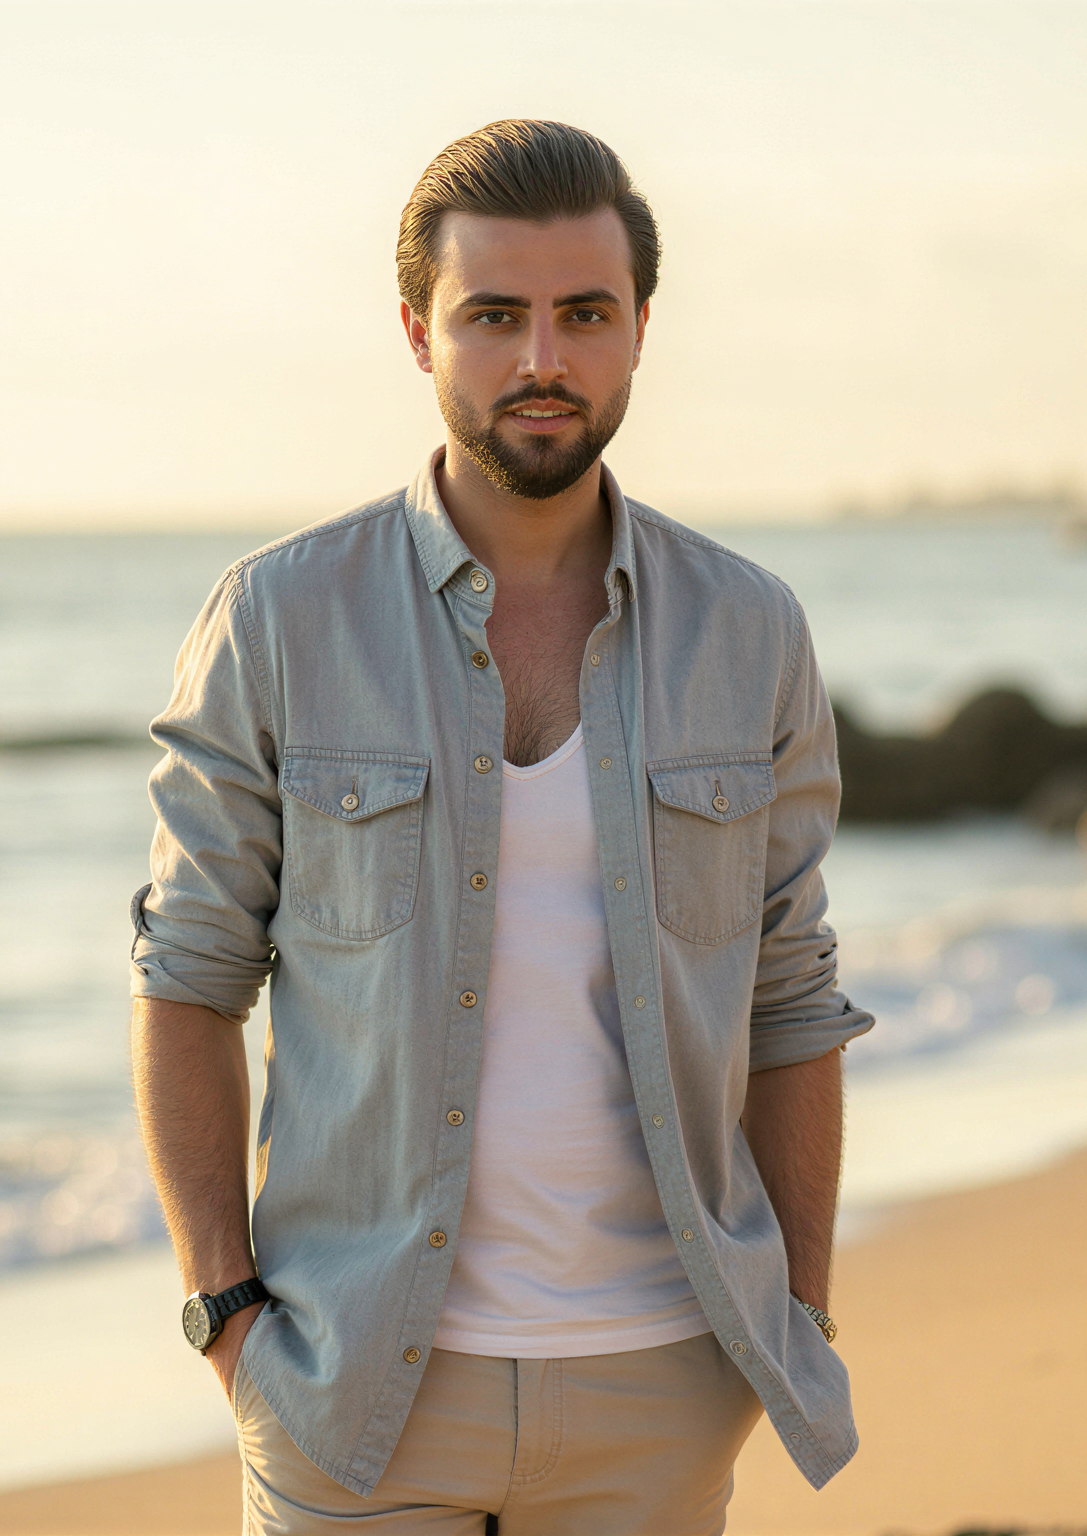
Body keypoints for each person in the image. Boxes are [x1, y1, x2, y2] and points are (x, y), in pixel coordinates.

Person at [129, 118, 873, 1535]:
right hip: (353, 1392)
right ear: (420, 332)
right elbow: (188, 977)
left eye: (585, 314)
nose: (543, 358)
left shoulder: (748, 631)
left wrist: (802, 1312)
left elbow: (790, 997)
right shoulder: (281, 619)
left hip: (662, 1387)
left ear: (641, 329)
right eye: (494, 316)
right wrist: (225, 1316)